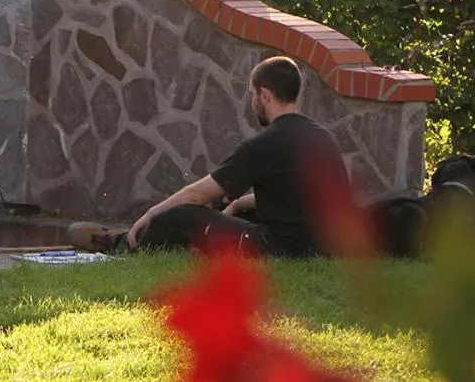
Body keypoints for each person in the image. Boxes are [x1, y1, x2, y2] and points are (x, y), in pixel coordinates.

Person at [68, 56, 353, 257]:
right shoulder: (322, 136)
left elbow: (197, 195)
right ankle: (176, 245)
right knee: (234, 206)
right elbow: (301, 194)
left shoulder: (266, 143)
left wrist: (150, 214)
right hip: (323, 245)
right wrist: (240, 202)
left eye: (252, 94)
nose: (251, 101)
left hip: (280, 247)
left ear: (265, 95)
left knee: (183, 215)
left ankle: (119, 242)